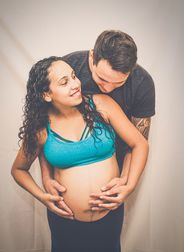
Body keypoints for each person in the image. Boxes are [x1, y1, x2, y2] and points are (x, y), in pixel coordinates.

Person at [11, 56, 149, 252]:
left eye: (74, 76)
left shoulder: (101, 105)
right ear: (47, 94)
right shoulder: (41, 129)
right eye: (64, 82)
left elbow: (140, 144)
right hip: (65, 222)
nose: (76, 84)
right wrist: (42, 196)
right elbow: (18, 170)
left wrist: (130, 185)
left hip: (109, 217)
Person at [39, 30, 155, 221]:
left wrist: (127, 182)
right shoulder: (68, 69)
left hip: (112, 173)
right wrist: (46, 177)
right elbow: (44, 128)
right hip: (65, 185)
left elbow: (138, 142)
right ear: (92, 56)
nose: (108, 89)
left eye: (119, 83)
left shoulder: (142, 83)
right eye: (101, 79)